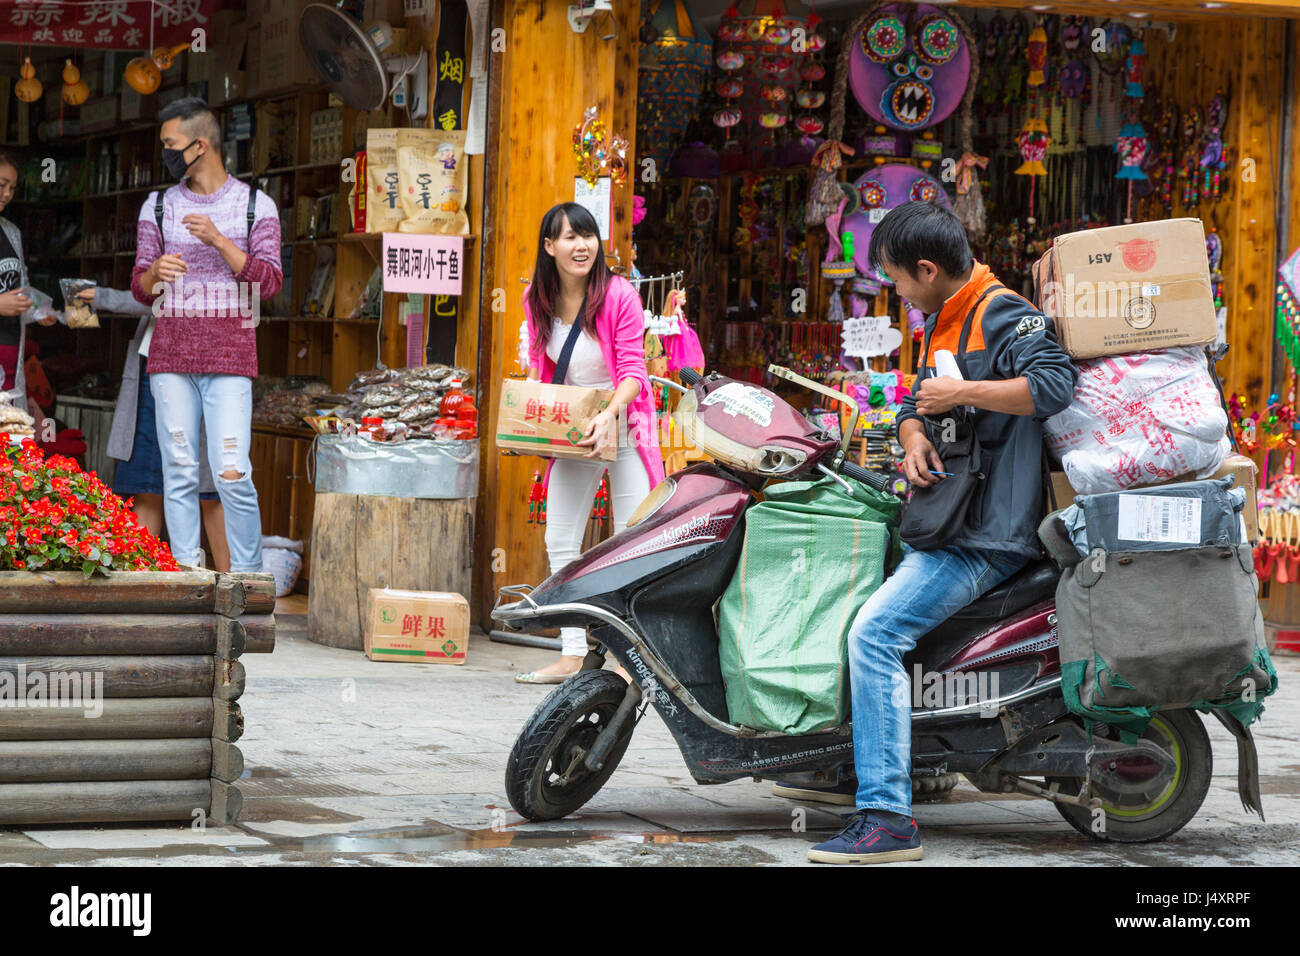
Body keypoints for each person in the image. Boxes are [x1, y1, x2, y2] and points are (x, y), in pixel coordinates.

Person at [799, 202, 1078, 864]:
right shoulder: (940, 318)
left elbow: (1055, 384)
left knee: (874, 633)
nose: (896, 293)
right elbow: (914, 397)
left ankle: (888, 818)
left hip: (986, 536)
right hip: (947, 514)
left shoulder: (1002, 312)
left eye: (897, 279)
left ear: (927, 270)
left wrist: (965, 397)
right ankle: (864, 758)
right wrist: (914, 431)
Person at [514, 202, 664, 684]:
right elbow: (541, 373)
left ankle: (626, 658)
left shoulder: (619, 295)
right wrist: (526, 426)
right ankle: (573, 653)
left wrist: (609, 416)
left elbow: (634, 373)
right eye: (570, 237)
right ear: (549, 246)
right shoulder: (537, 298)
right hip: (576, 431)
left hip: (624, 427)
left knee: (629, 543)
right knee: (560, 537)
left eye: (589, 236)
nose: (581, 245)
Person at [131, 97, 282, 573]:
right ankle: (186, 574)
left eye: (171, 145)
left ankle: (250, 576)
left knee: (232, 473)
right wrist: (156, 271)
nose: (166, 155)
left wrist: (219, 240)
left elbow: (269, 284)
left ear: (200, 144)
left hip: (231, 359)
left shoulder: (257, 205)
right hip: (170, 358)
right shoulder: (157, 206)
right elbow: (140, 287)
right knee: (177, 471)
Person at [96, 285, 230, 571]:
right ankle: (137, 585)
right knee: (147, 483)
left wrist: (97, 296)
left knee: (211, 487)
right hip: (155, 358)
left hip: (201, 362)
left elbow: (156, 300)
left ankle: (236, 585)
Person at [0, 151, 62, 410]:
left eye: (12, 188)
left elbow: (21, 289)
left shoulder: (12, 233)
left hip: (11, 360)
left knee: (13, 447)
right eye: (2, 185)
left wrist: (40, 311)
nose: (7, 194)